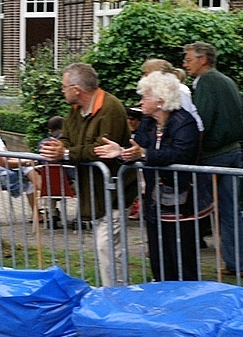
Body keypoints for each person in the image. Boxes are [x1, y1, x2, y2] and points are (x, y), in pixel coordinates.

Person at [96, 71, 208, 281]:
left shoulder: (185, 122)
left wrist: (145, 153)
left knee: (182, 257)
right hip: (155, 199)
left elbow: (180, 154)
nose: (141, 101)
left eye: (145, 97)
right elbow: (138, 149)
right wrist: (121, 152)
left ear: (161, 100)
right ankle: (163, 300)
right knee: (158, 255)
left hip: (181, 199)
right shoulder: (147, 122)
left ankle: (188, 303)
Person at [40, 62, 130, 287]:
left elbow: (102, 149)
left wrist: (67, 152)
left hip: (114, 191)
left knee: (108, 247)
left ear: (76, 89)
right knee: (105, 247)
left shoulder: (110, 108)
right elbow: (68, 138)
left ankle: (117, 297)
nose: (62, 91)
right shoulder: (75, 111)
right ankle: (113, 294)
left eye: (64, 87)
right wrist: (57, 148)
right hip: (95, 191)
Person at [183, 41, 243, 275]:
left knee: (197, 208)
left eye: (189, 59)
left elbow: (201, 122)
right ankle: (235, 262)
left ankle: (188, 260)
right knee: (231, 209)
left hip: (214, 155)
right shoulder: (226, 80)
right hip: (233, 151)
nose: (185, 64)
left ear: (203, 59)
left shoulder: (207, 82)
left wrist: (194, 151)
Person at [0, 114, 40, 218]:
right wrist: (24, 162)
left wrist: (25, 160)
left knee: (28, 169)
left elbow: (8, 157)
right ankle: (43, 191)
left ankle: (37, 212)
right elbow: (4, 163)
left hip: (1, 173)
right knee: (27, 172)